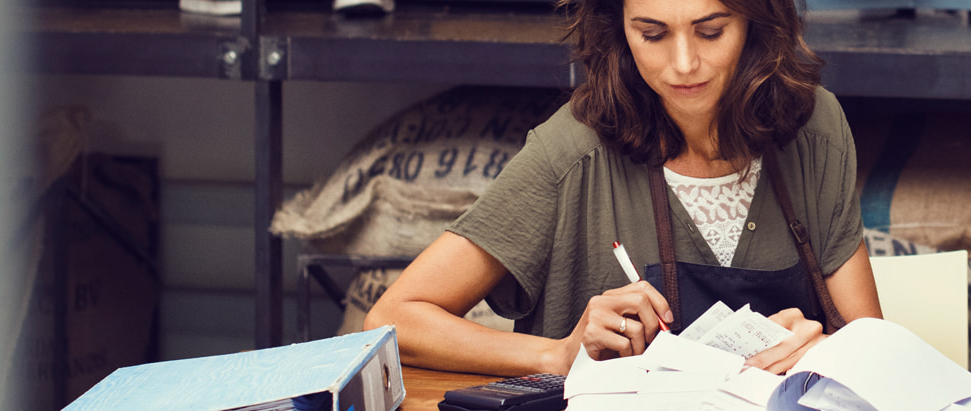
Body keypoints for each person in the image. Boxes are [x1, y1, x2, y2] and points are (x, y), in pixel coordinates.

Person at [365, 0, 882, 377]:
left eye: (711, 31)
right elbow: (392, 319)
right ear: (620, 31)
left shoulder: (816, 128)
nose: (683, 64)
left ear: (756, 22)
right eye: (653, 35)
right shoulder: (571, 151)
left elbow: (872, 349)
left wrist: (826, 352)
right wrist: (557, 354)